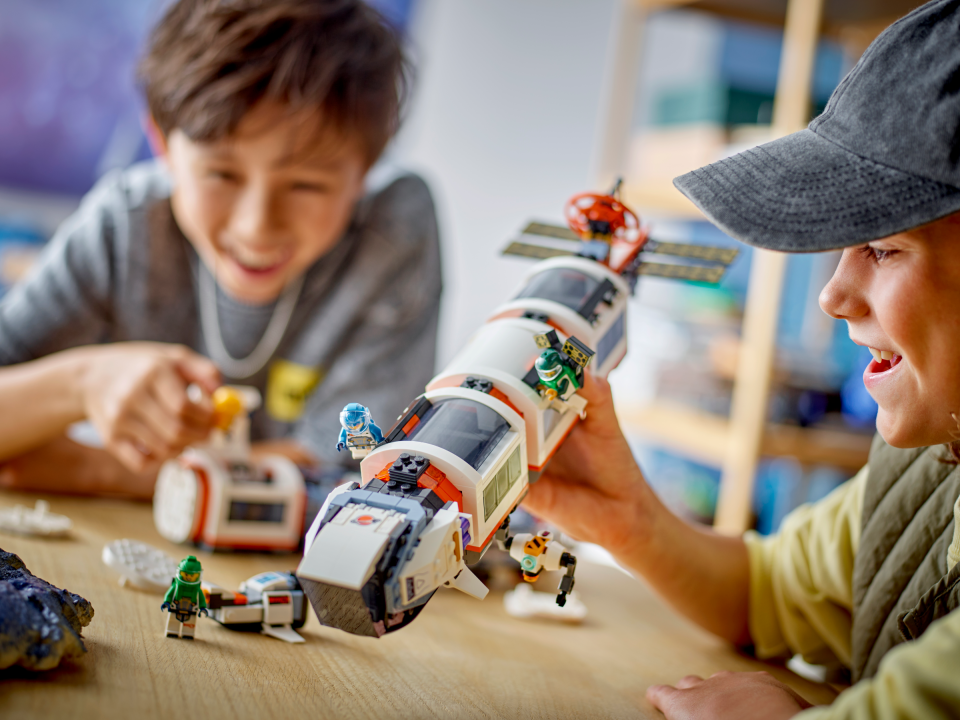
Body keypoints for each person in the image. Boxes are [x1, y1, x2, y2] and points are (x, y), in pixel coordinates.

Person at [524, 1, 960, 718]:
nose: (832, 295)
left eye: (883, 248)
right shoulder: (930, 464)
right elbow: (769, 590)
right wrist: (627, 518)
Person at [0, 0, 441, 499]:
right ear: (162, 142)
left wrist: (99, 470)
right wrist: (81, 383)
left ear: (367, 169)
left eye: (306, 185)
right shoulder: (124, 224)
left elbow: (357, 471)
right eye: (221, 174)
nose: (256, 227)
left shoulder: (393, 228)